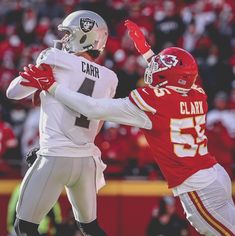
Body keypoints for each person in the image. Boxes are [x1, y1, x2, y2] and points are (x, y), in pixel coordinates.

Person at [18, 20, 235, 235]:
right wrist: (147, 52)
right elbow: (176, 79)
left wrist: (51, 86)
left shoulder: (153, 102)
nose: (154, 68)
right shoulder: (198, 93)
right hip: (216, 175)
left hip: (198, 187)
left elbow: (92, 108)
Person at [6, 10, 118, 236]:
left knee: (24, 227)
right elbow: (98, 123)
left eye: (69, 34)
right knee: (90, 227)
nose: (65, 39)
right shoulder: (110, 77)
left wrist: (40, 74)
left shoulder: (55, 58)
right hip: (87, 160)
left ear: (83, 36)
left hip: (55, 156)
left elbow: (12, 92)